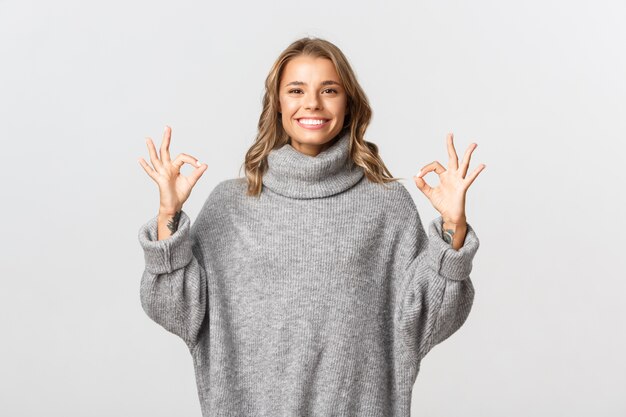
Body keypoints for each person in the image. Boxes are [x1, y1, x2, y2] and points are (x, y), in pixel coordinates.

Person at [137, 36, 485, 417]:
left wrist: (454, 226)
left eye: (329, 90)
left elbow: (431, 318)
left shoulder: (386, 206)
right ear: (278, 104)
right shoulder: (230, 205)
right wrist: (168, 213)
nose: (313, 103)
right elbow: (175, 309)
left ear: (348, 102)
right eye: (296, 90)